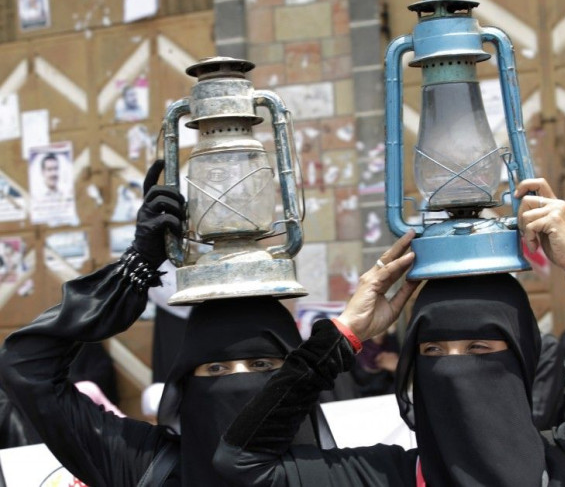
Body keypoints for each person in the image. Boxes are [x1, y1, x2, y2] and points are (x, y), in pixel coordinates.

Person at [209, 178, 565, 486]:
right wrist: (344, 335)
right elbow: (241, 463)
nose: (455, 366)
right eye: (434, 351)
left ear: (522, 356)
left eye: (480, 348)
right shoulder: (387, 475)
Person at [0, 160, 335, 486]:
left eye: (261, 364)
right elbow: (25, 366)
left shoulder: (342, 472)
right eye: (216, 370)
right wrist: (136, 269)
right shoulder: (141, 465)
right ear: (185, 383)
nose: (239, 382)